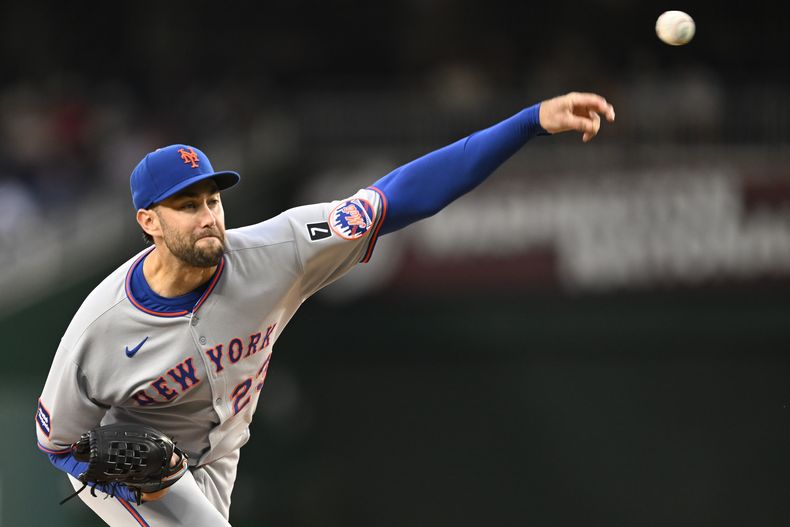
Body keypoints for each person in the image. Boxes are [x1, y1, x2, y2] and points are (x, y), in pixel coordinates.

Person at [35, 92, 615, 526]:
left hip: (221, 454)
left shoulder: (279, 250)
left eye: (212, 199)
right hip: (133, 473)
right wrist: (126, 480)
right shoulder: (100, 327)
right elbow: (58, 444)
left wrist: (529, 122)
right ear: (149, 222)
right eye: (187, 205)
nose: (209, 215)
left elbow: (401, 196)